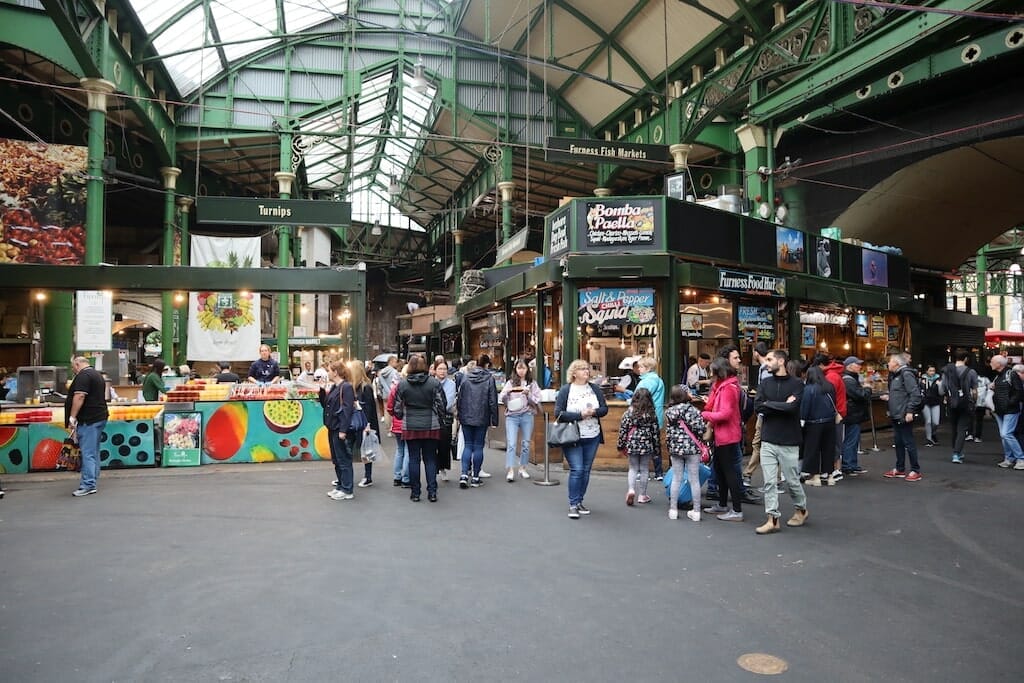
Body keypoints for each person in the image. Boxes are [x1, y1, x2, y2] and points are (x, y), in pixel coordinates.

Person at [753, 349, 808, 534]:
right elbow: (758, 407)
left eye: (770, 360)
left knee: (792, 481)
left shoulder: (797, 384)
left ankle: (801, 509)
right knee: (769, 482)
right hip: (768, 439)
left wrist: (769, 404)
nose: (766, 363)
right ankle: (772, 519)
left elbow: (793, 408)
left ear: (781, 361)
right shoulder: (765, 383)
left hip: (789, 440)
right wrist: (782, 405)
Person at [554, 359, 608, 519]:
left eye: (587, 368)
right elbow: (559, 413)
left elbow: (604, 409)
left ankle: (579, 501)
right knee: (577, 469)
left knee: (585, 470)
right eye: (582, 369)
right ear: (574, 373)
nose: (586, 371)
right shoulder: (566, 390)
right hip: (572, 436)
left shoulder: (595, 388)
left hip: (592, 434)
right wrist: (580, 415)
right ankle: (572, 504)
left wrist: (594, 412)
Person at [700, 358, 745, 522]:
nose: (710, 373)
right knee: (720, 470)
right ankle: (722, 504)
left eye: (712, 370)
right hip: (723, 435)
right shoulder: (724, 386)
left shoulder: (728, 389)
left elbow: (725, 414)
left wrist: (705, 415)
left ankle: (737, 510)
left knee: (729, 472)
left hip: (727, 435)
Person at [394, 354, 443, 502]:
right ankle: (432, 492)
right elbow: (441, 404)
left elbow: (397, 408)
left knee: (414, 459)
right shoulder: (433, 383)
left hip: (410, 425)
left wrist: (402, 415)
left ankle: (415, 492)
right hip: (431, 424)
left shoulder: (403, 384)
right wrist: (440, 418)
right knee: (430, 459)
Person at [65, 356, 109, 497]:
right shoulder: (97, 375)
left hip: (88, 419)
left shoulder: (83, 376)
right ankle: (93, 478)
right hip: (99, 417)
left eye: (73, 367)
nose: (73, 370)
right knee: (93, 451)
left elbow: (79, 396)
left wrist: (72, 417)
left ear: (77, 364)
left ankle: (88, 484)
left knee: (87, 453)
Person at [664, 385, 707, 521]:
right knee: (694, 480)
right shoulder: (693, 410)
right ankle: (696, 511)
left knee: (677, 478)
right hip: (692, 448)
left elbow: (668, 432)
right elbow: (701, 429)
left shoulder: (669, 412)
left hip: (676, 449)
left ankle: (673, 510)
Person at [457, 355, 499, 489]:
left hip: (466, 416)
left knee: (468, 445)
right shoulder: (489, 379)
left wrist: (459, 414)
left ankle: (464, 474)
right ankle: (475, 477)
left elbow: (460, 397)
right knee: (478, 447)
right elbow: (492, 401)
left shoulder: (466, 377)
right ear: (486, 365)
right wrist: (494, 420)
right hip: (482, 416)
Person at [881, 352, 923, 481]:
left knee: (908, 442)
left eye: (890, 361)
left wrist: (910, 411)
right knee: (899, 442)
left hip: (903, 414)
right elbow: (901, 394)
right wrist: (890, 398)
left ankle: (915, 470)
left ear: (896, 363)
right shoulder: (896, 375)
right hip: (897, 413)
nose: (888, 363)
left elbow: (915, 394)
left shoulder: (905, 374)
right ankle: (900, 468)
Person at [498, 359, 541, 482]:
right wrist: (507, 394)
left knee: (526, 443)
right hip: (512, 416)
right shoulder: (510, 383)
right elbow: (501, 398)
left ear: (527, 369)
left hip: (527, 414)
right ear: (515, 369)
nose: (521, 371)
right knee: (511, 443)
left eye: (523, 368)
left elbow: (537, 399)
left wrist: (528, 394)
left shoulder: (532, 383)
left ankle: (523, 467)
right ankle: (510, 470)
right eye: (519, 368)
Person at [617, 387, 661, 506]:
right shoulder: (652, 414)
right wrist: (657, 449)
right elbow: (655, 433)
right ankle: (642, 495)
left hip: (632, 444)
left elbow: (623, 430)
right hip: (647, 444)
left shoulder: (628, 413)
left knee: (633, 468)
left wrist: (621, 445)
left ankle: (631, 490)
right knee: (644, 469)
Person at [320, 360, 355, 501]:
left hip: (338, 427)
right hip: (332, 426)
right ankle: (341, 485)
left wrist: (343, 430)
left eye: (329, 370)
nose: (327, 373)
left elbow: (347, 409)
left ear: (335, 372)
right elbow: (326, 404)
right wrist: (322, 391)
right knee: (336, 459)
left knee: (343, 459)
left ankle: (347, 489)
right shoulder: (336, 387)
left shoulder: (346, 387)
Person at [801, 365, 838, 487]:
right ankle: (830, 476)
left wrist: (802, 421)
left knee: (813, 450)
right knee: (828, 449)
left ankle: (815, 477)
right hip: (830, 422)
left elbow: (805, 407)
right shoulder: (830, 387)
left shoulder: (809, 389)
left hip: (814, 423)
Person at [743, 342, 773, 486]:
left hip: (765, 413)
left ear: (756, 352)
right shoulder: (766, 368)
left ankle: (748, 474)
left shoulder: (765, 369)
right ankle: (776, 479)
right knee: (764, 444)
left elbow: (767, 390)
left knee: (758, 443)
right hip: (766, 412)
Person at [348, 360, 380, 488]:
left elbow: (369, 408)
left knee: (366, 450)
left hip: (363, 423)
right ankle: (350, 476)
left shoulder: (365, 387)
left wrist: (368, 424)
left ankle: (368, 476)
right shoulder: (355, 386)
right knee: (354, 448)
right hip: (356, 422)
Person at [942, 349, 977, 464]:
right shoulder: (971, 372)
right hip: (965, 402)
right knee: (962, 429)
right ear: (966, 359)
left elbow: (942, 389)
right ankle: (957, 453)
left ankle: (956, 451)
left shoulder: (946, 370)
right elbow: (974, 390)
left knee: (954, 428)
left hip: (951, 402)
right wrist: (974, 401)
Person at [989, 354, 1024, 470]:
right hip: (1001, 409)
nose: (990, 363)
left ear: (999, 364)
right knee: (1005, 435)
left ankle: (1020, 458)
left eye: (992, 362)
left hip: (1009, 409)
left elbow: (1019, 391)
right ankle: (1009, 458)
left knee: (1006, 434)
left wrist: (1010, 403)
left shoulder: (1010, 374)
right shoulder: (1001, 376)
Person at [635, 357, 666, 479]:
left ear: (648, 368)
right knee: (655, 444)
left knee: (643, 444)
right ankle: (658, 472)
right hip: (656, 416)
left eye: (641, 367)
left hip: (645, 417)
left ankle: (643, 472)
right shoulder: (658, 379)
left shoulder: (647, 382)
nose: (639, 369)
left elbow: (639, 399)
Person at [840, 356, 871, 476]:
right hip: (853, 413)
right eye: (857, 364)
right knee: (851, 440)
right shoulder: (849, 380)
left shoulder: (850, 379)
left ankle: (852, 464)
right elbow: (861, 395)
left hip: (853, 413)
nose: (859, 366)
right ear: (849, 366)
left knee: (853, 439)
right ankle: (848, 465)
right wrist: (867, 388)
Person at [386, 365, 410, 488]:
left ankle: (397, 476)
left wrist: (394, 416)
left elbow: (390, 406)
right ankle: (406, 478)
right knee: (408, 450)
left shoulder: (395, 388)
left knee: (400, 450)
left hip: (397, 422)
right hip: (409, 423)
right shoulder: (412, 388)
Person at [435, 361, 456, 482]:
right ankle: (434, 469)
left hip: (445, 418)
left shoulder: (451, 384)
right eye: (440, 369)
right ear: (435, 370)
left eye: (444, 369)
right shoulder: (431, 382)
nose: (442, 371)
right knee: (433, 445)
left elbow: (449, 401)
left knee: (444, 445)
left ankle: (443, 468)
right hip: (432, 418)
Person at [920, 364, 942, 447]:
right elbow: (919, 390)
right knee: (928, 421)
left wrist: (940, 385)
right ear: (926, 371)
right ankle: (928, 439)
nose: (932, 372)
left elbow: (941, 392)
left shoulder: (939, 379)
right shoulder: (922, 380)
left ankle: (933, 433)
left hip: (936, 402)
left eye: (933, 371)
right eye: (930, 371)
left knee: (936, 422)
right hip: (926, 402)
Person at [969, 369, 993, 443]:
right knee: (979, 420)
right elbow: (990, 388)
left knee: (970, 418)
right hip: (982, 402)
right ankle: (977, 437)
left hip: (972, 401)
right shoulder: (986, 379)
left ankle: (969, 434)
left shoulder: (970, 378)